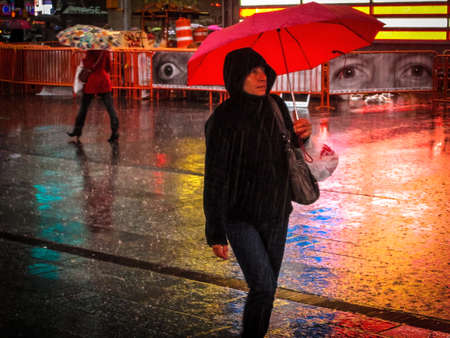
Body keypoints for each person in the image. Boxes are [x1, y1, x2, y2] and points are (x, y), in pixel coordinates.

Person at [203, 48, 312, 337]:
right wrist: (215, 231)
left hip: (276, 212)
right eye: (253, 71)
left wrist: (303, 134)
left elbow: (291, 150)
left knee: (267, 290)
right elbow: (214, 177)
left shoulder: (276, 105)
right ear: (237, 76)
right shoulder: (222, 119)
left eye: (263, 69)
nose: (261, 76)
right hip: (240, 217)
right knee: (262, 285)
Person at [67, 50, 119, 143]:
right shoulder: (105, 51)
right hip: (103, 80)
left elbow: (87, 65)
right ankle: (115, 131)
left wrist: (84, 60)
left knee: (84, 107)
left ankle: (78, 130)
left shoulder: (90, 51)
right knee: (110, 107)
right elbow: (108, 67)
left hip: (92, 80)